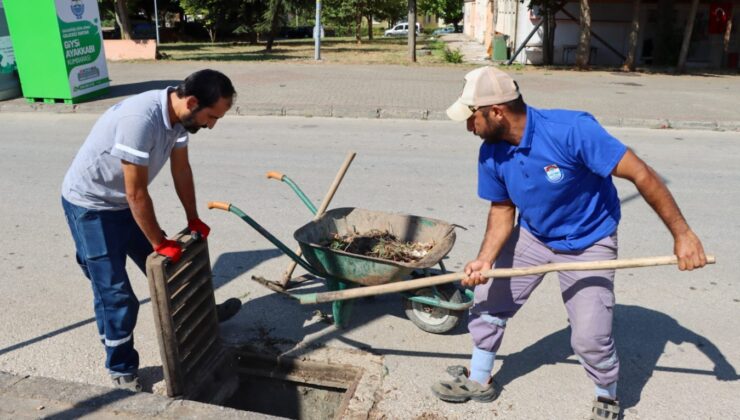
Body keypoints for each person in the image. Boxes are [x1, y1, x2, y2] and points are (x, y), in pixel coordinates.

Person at [431, 66, 707, 419]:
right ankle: (480, 379)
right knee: (487, 301)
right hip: (535, 235)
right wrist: (486, 259)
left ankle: (606, 395)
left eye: (472, 118)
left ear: (496, 111)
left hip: (589, 239)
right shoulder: (492, 152)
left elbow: (641, 173)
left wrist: (682, 234)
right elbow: (502, 209)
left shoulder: (571, 130)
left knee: (590, 338)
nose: (469, 127)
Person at [61, 69, 242, 392]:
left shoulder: (179, 119)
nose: (211, 125)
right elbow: (136, 193)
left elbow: (181, 169)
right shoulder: (140, 120)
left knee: (175, 270)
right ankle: (121, 366)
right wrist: (159, 241)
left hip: (123, 203)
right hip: (92, 207)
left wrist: (192, 218)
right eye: (211, 117)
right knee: (115, 293)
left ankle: (204, 317)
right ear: (192, 102)